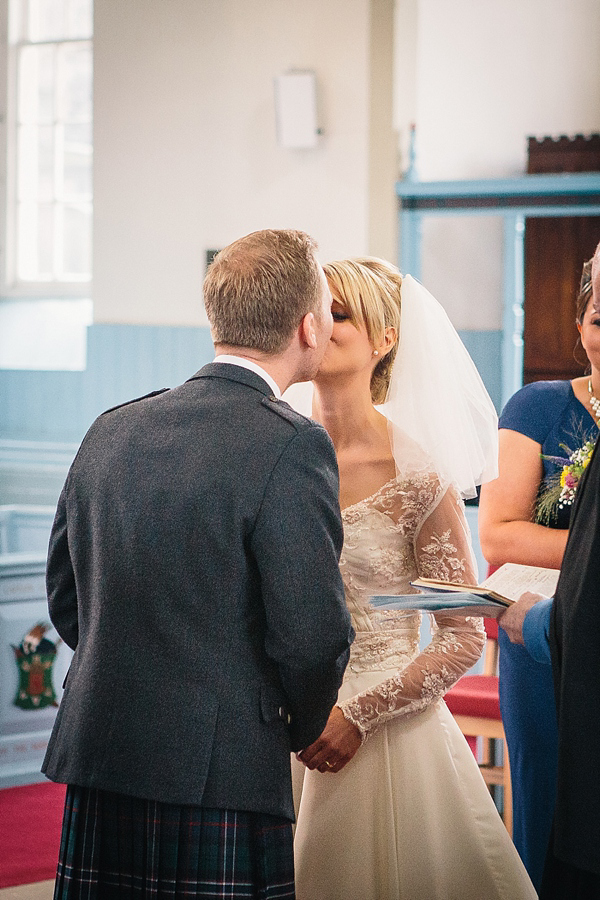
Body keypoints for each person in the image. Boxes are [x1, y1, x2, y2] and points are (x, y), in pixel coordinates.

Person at [42, 229, 355, 899]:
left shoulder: (113, 426)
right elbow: (311, 634)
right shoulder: (293, 443)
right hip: (222, 770)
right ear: (307, 325)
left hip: (105, 753)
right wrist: (301, 725)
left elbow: (67, 597)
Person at [289, 257, 536, 900]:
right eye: (315, 312)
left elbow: (460, 634)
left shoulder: (417, 472)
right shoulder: (277, 453)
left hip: (381, 732)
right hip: (278, 725)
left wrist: (359, 715)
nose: (320, 325)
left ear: (386, 339)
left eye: (340, 314)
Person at [478, 257, 599, 889]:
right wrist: (587, 553)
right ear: (580, 327)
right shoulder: (538, 406)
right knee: (546, 802)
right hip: (541, 633)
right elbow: (498, 532)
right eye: (598, 318)